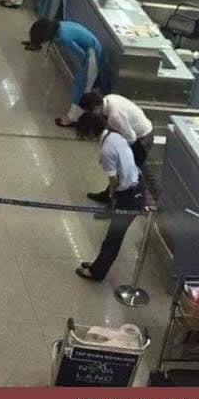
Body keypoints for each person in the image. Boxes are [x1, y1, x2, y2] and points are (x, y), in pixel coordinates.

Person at [74, 112, 144, 282]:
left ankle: (97, 272)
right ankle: (97, 265)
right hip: (136, 184)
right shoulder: (115, 136)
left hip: (130, 197)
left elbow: (113, 181)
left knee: (113, 238)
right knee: (112, 237)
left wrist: (113, 197)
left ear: (91, 132)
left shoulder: (106, 150)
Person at [26, 18, 109, 127]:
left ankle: (73, 118)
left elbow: (81, 55)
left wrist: (84, 72)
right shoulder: (60, 25)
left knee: (82, 87)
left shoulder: (64, 38)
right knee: (82, 84)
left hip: (91, 54)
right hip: (92, 47)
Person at [79, 91, 154, 206]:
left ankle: (117, 204)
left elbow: (131, 137)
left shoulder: (114, 116)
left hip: (142, 138)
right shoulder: (108, 99)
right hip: (137, 132)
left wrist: (117, 152)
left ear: (96, 108)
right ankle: (108, 196)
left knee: (126, 174)